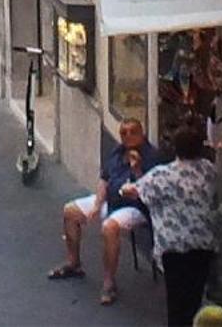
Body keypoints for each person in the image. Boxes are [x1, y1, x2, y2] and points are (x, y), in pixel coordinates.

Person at [49, 116, 162, 304]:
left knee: (109, 228)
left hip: (135, 207)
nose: (127, 137)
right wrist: (97, 204)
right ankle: (74, 263)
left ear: (142, 134)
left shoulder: (151, 156)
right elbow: (105, 179)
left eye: (133, 132)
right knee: (70, 211)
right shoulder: (118, 151)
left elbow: (149, 191)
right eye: (123, 133)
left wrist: (136, 171)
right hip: (111, 200)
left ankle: (109, 282)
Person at [130, 124, 222, 325]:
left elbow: (137, 191)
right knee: (195, 293)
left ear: (175, 148)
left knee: (176, 299)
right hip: (203, 242)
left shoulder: (162, 175)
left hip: (174, 246)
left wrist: (130, 181)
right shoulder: (209, 170)